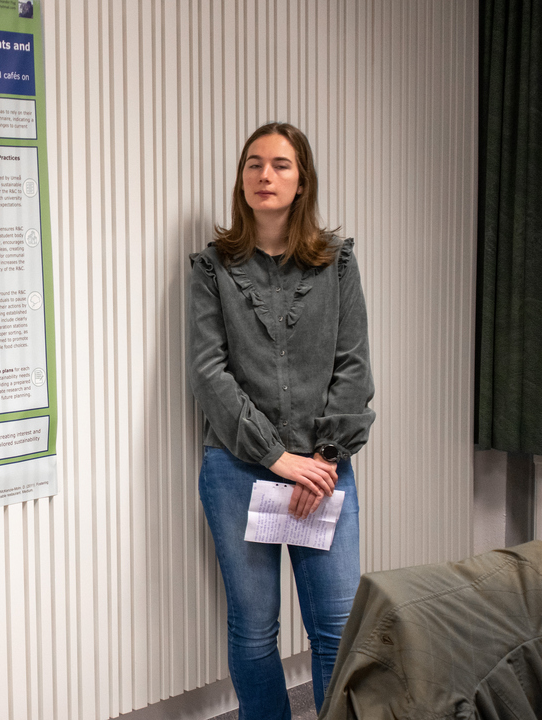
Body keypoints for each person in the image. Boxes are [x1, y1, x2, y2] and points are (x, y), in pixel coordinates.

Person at [187, 122, 375, 719]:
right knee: (253, 629)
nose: (265, 176)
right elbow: (209, 375)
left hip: (323, 470)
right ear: (241, 179)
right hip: (239, 471)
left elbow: (354, 367)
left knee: (338, 627)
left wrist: (320, 460)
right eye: (253, 164)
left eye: (281, 165)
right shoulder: (211, 268)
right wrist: (274, 457)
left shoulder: (338, 264)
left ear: (302, 181)